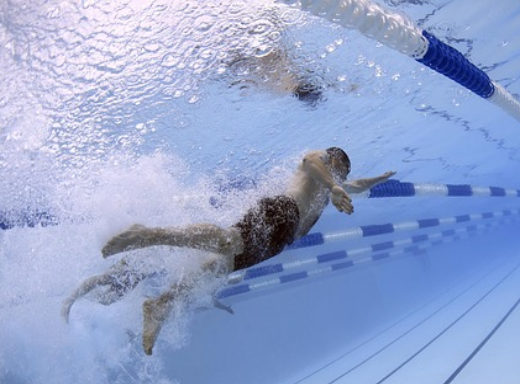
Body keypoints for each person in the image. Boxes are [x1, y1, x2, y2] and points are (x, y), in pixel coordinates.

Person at [63, 147, 395, 355]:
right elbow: (311, 162)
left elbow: (357, 185)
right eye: (340, 170)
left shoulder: (331, 189)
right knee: (226, 242)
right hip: (281, 211)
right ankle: (147, 235)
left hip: (278, 242)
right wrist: (334, 184)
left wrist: (378, 179)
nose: (341, 177)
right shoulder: (321, 164)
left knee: (215, 269)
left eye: (343, 175)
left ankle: (160, 304)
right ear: (334, 160)